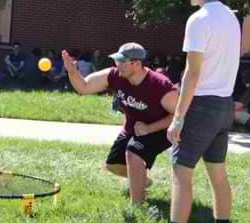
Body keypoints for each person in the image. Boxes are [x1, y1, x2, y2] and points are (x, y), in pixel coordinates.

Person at [139, 0, 240, 223]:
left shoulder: (198, 20)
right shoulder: (231, 17)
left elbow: (192, 74)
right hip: (224, 105)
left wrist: (178, 118)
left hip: (202, 105)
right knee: (218, 174)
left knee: (181, 172)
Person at [64, 43, 178, 206]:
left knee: (133, 152)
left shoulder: (159, 85)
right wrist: (72, 72)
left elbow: (178, 115)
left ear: (136, 64)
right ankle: (142, 181)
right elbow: (84, 87)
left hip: (161, 129)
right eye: (117, 61)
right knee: (112, 165)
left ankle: (137, 206)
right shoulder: (115, 75)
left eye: (122, 62)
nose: (117, 65)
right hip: (133, 127)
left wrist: (149, 128)